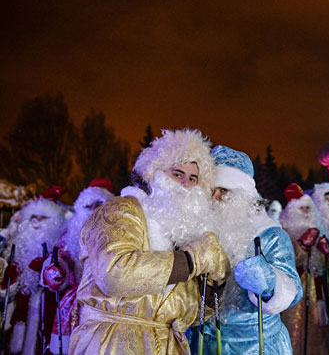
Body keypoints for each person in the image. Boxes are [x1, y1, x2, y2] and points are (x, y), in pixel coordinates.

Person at [69, 128, 231, 354]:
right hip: (112, 342)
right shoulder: (120, 211)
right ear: (154, 173)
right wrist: (192, 260)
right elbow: (115, 274)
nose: (186, 184)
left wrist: (214, 283)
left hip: (166, 343)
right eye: (177, 174)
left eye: (193, 178)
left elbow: (190, 313)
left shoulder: (179, 236)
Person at [197, 145, 302, 355]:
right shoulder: (198, 232)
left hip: (257, 344)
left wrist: (269, 280)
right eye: (212, 191)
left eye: (224, 191)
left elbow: (293, 289)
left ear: (243, 194)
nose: (216, 198)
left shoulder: (269, 234)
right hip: (206, 342)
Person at [41, 179, 114, 354]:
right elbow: (61, 256)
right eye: (89, 206)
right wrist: (56, 269)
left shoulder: (118, 233)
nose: (94, 211)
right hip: (76, 302)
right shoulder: (71, 233)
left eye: (99, 205)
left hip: (109, 302)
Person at [6, 185, 66, 355]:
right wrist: (8, 280)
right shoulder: (18, 248)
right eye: (34, 218)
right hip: (20, 310)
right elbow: (6, 295)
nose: (37, 223)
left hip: (47, 308)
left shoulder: (61, 246)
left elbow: (66, 279)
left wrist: (51, 271)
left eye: (43, 218)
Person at [279, 183, 329, 355]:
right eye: (302, 209)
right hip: (296, 289)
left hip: (318, 290)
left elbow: (325, 265)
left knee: (318, 327)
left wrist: (327, 254)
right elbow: (286, 259)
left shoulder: (318, 231)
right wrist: (302, 244)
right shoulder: (284, 231)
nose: (307, 213)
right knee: (296, 327)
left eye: (309, 208)